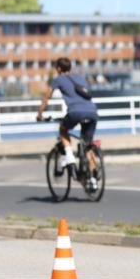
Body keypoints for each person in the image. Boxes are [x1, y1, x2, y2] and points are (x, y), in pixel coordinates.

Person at [36, 58, 100, 189]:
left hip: (75, 112)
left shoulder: (58, 79)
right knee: (87, 145)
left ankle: (69, 157)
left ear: (59, 68)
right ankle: (93, 179)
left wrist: (40, 114)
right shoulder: (80, 77)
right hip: (92, 112)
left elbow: (47, 97)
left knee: (63, 130)